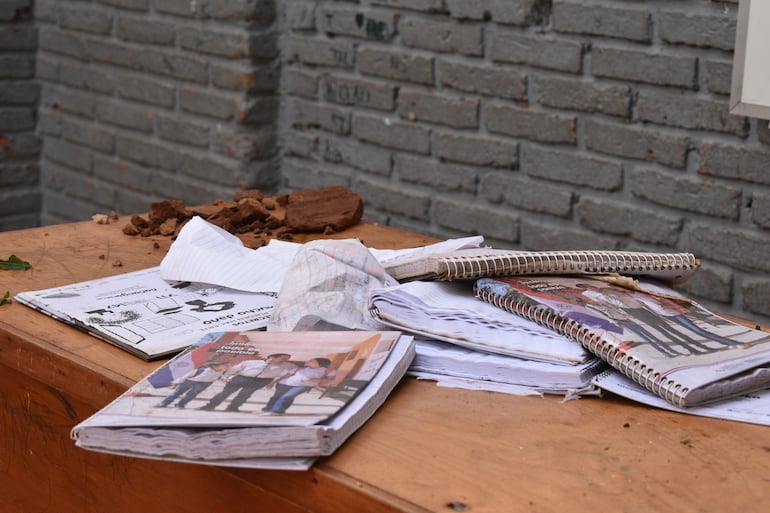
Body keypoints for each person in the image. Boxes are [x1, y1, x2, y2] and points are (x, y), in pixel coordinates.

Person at [197, 353, 296, 412]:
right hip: (242, 377)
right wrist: (225, 376)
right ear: (272, 357)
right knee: (226, 392)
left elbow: (295, 370)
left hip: (261, 381)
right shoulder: (251, 362)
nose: (285, 360)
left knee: (245, 394)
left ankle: (232, 408)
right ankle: (209, 406)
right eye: (283, 358)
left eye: (287, 359)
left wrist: (274, 382)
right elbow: (234, 369)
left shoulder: (286, 365)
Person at [262, 357, 335, 415]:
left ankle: (276, 411)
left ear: (320, 363)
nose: (309, 361)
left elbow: (331, 379)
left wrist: (314, 378)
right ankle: (269, 409)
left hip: (303, 386)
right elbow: (286, 375)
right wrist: (273, 382)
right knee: (277, 397)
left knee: (287, 396)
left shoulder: (327, 370)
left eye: (312, 361)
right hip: (284, 384)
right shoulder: (300, 368)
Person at [156, 361, 229, 409]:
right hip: (190, 381)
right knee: (177, 392)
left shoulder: (221, 372)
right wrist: (177, 382)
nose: (225, 367)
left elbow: (218, 377)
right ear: (214, 366)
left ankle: (180, 405)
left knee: (191, 395)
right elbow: (186, 376)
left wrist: (223, 379)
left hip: (203, 384)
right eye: (223, 365)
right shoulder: (202, 370)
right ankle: (164, 403)